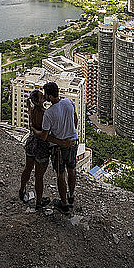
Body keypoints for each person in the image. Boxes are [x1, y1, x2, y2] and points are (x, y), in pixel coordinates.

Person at [19, 90, 72, 210]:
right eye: (42, 97)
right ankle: (38, 202)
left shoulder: (32, 111)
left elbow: (31, 118)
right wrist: (63, 142)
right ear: (39, 101)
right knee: (39, 176)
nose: (45, 98)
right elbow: (45, 135)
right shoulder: (46, 114)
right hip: (41, 147)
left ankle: (22, 190)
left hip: (31, 143)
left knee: (27, 168)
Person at [41, 82, 78, 214]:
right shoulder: (68, 102)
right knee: (72, 169)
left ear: (50, 96)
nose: (44, 96)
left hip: (59, 147)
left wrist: (61, 141)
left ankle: (64, 204)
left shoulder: (49, 114)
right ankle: (71, 196)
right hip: (73, 141)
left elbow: (45, 136)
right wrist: (70, 132)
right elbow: (75, 120)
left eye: (45, 94)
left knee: (61, 174)